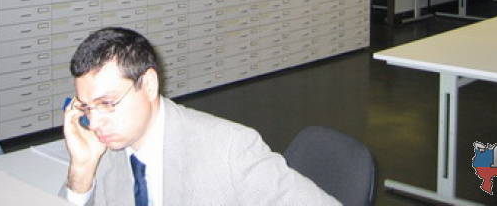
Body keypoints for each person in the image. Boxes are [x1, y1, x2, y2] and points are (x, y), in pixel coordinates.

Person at [60, 27, 339, 206]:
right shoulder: (103, 148)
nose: (94, 123)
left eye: (107, 103)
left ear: (149, 85)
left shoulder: (229, 149)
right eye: (86, 107)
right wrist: (81, 169)